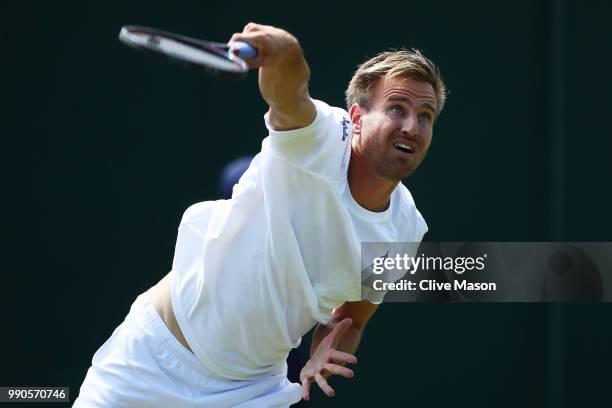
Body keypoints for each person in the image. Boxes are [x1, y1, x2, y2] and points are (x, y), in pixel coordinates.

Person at [74, 22, 446, 407]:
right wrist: (285, 51)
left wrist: (326, 348)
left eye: (425, 116)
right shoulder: (319, 137)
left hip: (250, 393)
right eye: (397, 109)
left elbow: (352, 317)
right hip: (152, 359)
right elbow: (290, 93)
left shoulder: (404, 229)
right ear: (355, 117)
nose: (411, 127)